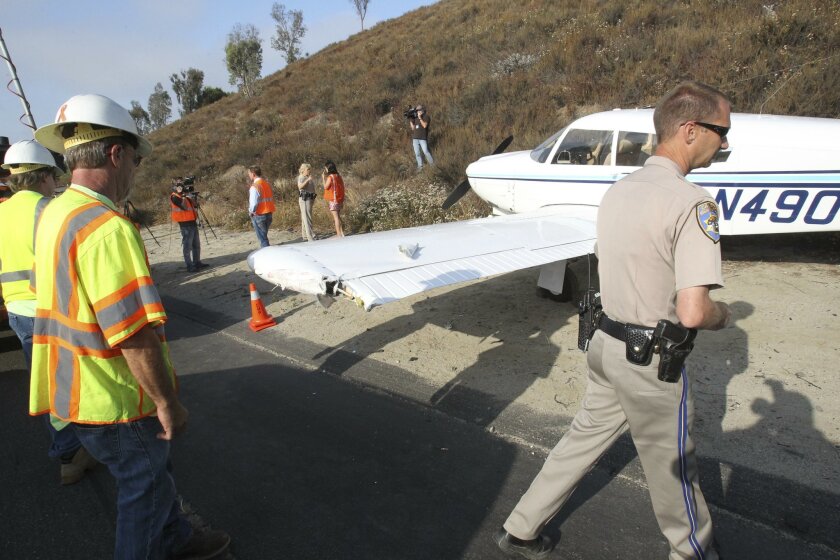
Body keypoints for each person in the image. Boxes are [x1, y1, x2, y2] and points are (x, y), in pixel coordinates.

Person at [495, 81, 733, 560]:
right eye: (721, 131)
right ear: (690, 130)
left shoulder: (618, 192)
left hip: (606, 344)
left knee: (580, 441)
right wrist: (722, 315)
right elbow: (692, 311)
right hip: (651, 362)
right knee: (675, 474)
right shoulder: (693, 202)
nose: (724, 143)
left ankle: (520, 528)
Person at [31, 93, 230, 560]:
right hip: (115, 398)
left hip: (74, 391)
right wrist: (167, 402)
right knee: (144, 493)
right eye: (137, 159)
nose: (136, 170)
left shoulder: (56, 212)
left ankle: (178, 540)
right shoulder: (106, 227)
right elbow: (132, 334)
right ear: (116, 153)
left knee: (154, 480)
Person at [0, 139, 98, 485]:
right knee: (71, 377)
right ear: (42, 176)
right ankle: (75, 449)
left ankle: (70, 451)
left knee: (46, 378)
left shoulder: (2, 211)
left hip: (16, 309)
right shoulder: (45, 209)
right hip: (47, 308)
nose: (56, 183)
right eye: (53, 177)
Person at [170, 177, 207, 272]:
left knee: (196, 244)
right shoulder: (174, 197)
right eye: (178, 184)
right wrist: (183, 196)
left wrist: (192, 196)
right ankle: (189, 265)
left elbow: (195, 205)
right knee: (187, 246)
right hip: (184, 224)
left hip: (192, 222)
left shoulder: (185, 196)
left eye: (181, 184)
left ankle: (197, 262)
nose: (181, 186)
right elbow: (184, 207)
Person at [247, 165, 275, 248]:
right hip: (269, 212)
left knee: (263, 239)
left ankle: (267, 255)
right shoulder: (266, 184)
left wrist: (251, 212)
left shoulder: (255, 186)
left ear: (253, 174)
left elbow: (253, 203)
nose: (249, 175)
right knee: (264, 236)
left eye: (249, 173)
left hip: (259, 214)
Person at [322, 161, 345, 238]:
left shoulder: (330, 177)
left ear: (328, 168)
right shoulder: (338, 176)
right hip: (339, 199)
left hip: (333, 199)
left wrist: (323, 179)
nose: (325, 169)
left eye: (326, 168)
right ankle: (342, 233)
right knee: (338, 216)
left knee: (336, 217)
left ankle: (338, 234)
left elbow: (326, 187)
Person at [408, 104, 434, 169]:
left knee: (426, 152)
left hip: (422, 138)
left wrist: (420, 118)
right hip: (415, 138)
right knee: (417, 153)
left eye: (419, 110)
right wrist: (411, 120)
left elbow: (425, 126)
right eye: (417, 110)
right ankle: (420, 166)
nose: (418, 111)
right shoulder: (415, 118)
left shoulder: (426, 117)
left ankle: (432, 165)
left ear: (422, 110)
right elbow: (413, 128)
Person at [297, 163, 316, 242]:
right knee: (307, 218)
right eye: (308, 169)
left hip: (310, 199)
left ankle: (305, 235)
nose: (309, 171)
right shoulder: (301, 177)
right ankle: (310, 237)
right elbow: (300, 187)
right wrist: (308, 180)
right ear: (303, 170)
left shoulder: (308, 177)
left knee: (305, 217)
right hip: (305, 199)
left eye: (309, 169)